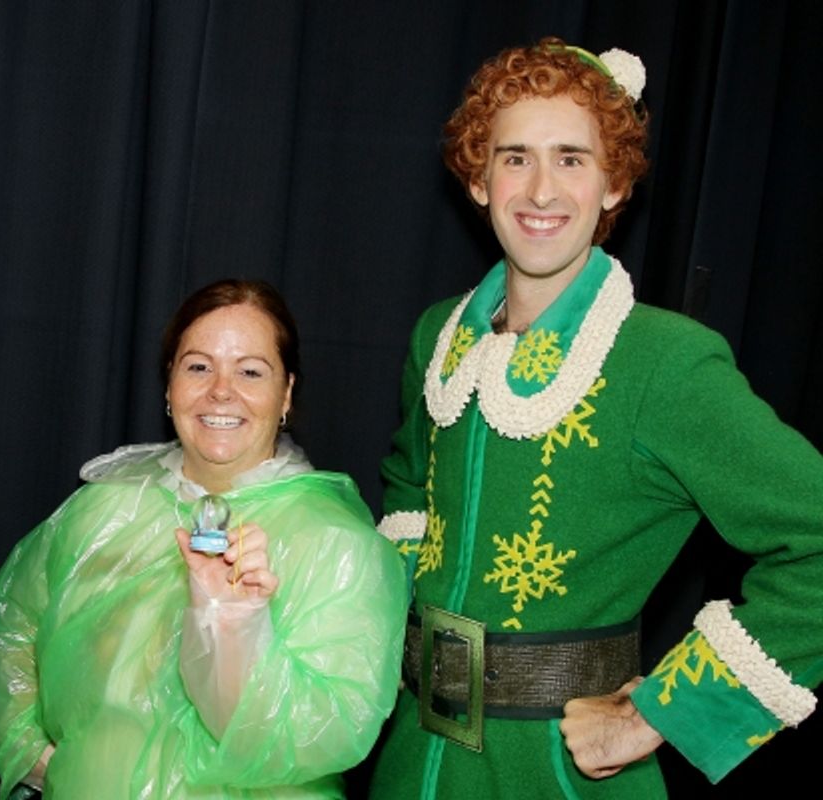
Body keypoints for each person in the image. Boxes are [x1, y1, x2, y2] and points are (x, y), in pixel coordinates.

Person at [369, 38, 823, 799]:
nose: (540, 189)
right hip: (412, 760)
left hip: (560, 779)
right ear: (478, 179)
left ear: (614, 185)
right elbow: (409, 488)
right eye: (514, 157)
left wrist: (658, 715)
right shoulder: (437, 337)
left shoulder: (665, 363)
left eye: (572, 159)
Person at [0, 279, 407, 799]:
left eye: (250, 371)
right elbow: (10, 623)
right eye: (199, 367)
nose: (221, 391)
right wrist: (31, 754)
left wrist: (232, 630)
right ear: (169, 385)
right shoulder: (103, 510)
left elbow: (326, 733)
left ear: (287, 392)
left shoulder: (338, 547)